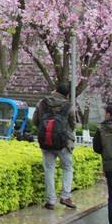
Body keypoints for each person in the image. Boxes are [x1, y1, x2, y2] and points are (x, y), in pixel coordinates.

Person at [32, 82, 77, 210]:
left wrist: (46, 130)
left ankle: (51, 201)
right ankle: (65, 196)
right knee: (67, 168)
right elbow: (73, 124)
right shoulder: (69, 106)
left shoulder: (42, 103)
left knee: (49, 169)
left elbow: (35, 121)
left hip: (46, 142)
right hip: (64, 143)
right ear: (67, 94)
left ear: (55, 90)